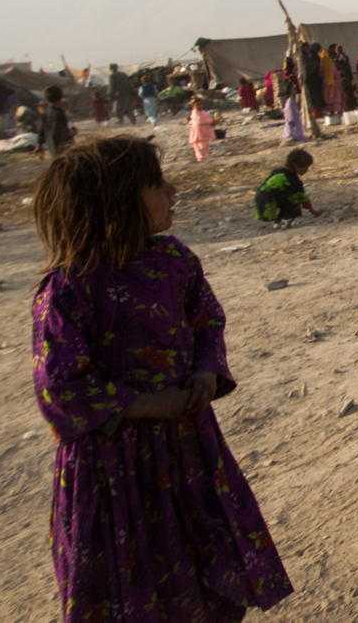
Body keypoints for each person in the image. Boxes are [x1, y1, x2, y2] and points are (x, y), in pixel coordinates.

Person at [30, 136, 293, 621]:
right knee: (130, 586)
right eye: (157, 184)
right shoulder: (70, 288)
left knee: (208, 570)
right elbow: (60, 388)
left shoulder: (175, 261)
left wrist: (207, 373)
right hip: (113, 469)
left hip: (189, 449)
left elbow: (207, 321)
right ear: (114, 202)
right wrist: (149, 405)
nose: (173, 192)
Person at [255, 148, 322, 227]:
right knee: (295, 198)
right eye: (306, 168)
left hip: (259, 199)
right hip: (269, 202)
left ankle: (278, 222)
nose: (306, 170)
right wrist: (313, 211)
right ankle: (286, 220)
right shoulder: (294, 180)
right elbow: (304, 199)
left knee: (286, 195)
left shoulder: (277, 171)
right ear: (297, 166)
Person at [38, 85, 77, 159]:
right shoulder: (59, 114)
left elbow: (41, 130)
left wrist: (39, 145)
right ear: (61, 97)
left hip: (54, 150)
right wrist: (71, 133)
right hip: (65, 151)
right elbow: (57, 133)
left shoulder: (45, 113)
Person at [279, 57, 305, 144]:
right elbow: (294, 87)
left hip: (289, 98)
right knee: (292, 116)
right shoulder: (290, 76)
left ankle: (291, 132)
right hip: (291, 98)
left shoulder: (286, 75)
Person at [187, 96, 215, 162]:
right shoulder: (194, 113)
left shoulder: (203, 112)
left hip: (205, 131)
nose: (199, 106)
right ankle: (200, 158)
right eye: (197, 105)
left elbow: (206, 118)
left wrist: (213, 121)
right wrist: (210, 121)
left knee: (206, 145)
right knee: (200, 146)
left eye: (200, 104)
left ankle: (205, 157)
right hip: (198, 132)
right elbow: (200, 121)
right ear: (193, 106)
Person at [333, 44, 357, 112]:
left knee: (347, 90)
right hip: (343, 74)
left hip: (345, 73)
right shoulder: (340, 56)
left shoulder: (342, 56)